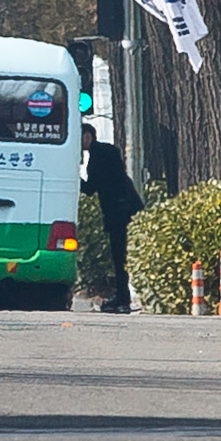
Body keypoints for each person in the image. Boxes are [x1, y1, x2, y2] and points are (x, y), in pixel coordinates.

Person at [80, 123, 143, 312]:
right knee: (120, 255)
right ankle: (122, 295)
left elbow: (91, 188)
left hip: (118, 212)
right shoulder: (106, 152)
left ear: (88, 136)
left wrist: (74, 175)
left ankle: (123, 298)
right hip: (123, 209)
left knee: (119, 255)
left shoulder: (99, 155)